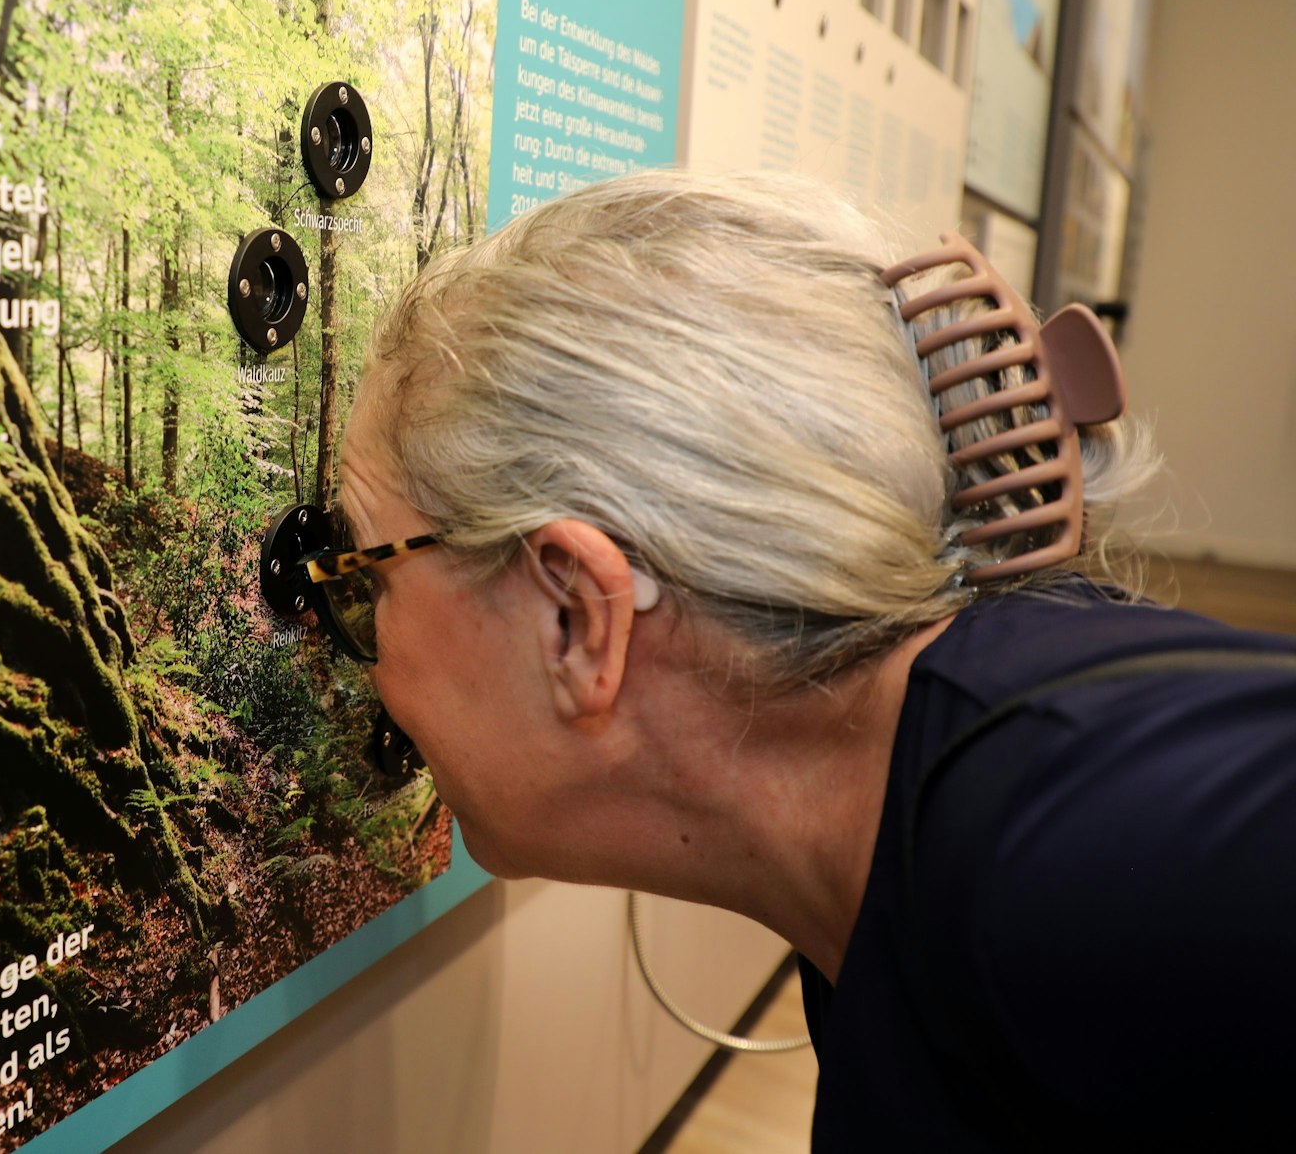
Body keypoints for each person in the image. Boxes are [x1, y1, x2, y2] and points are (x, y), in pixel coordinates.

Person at [300, 171, 1296, 1146]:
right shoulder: (908, 857)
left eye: (367, 578)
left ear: (574, 615)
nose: (366, 655)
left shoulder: (1098, 844)